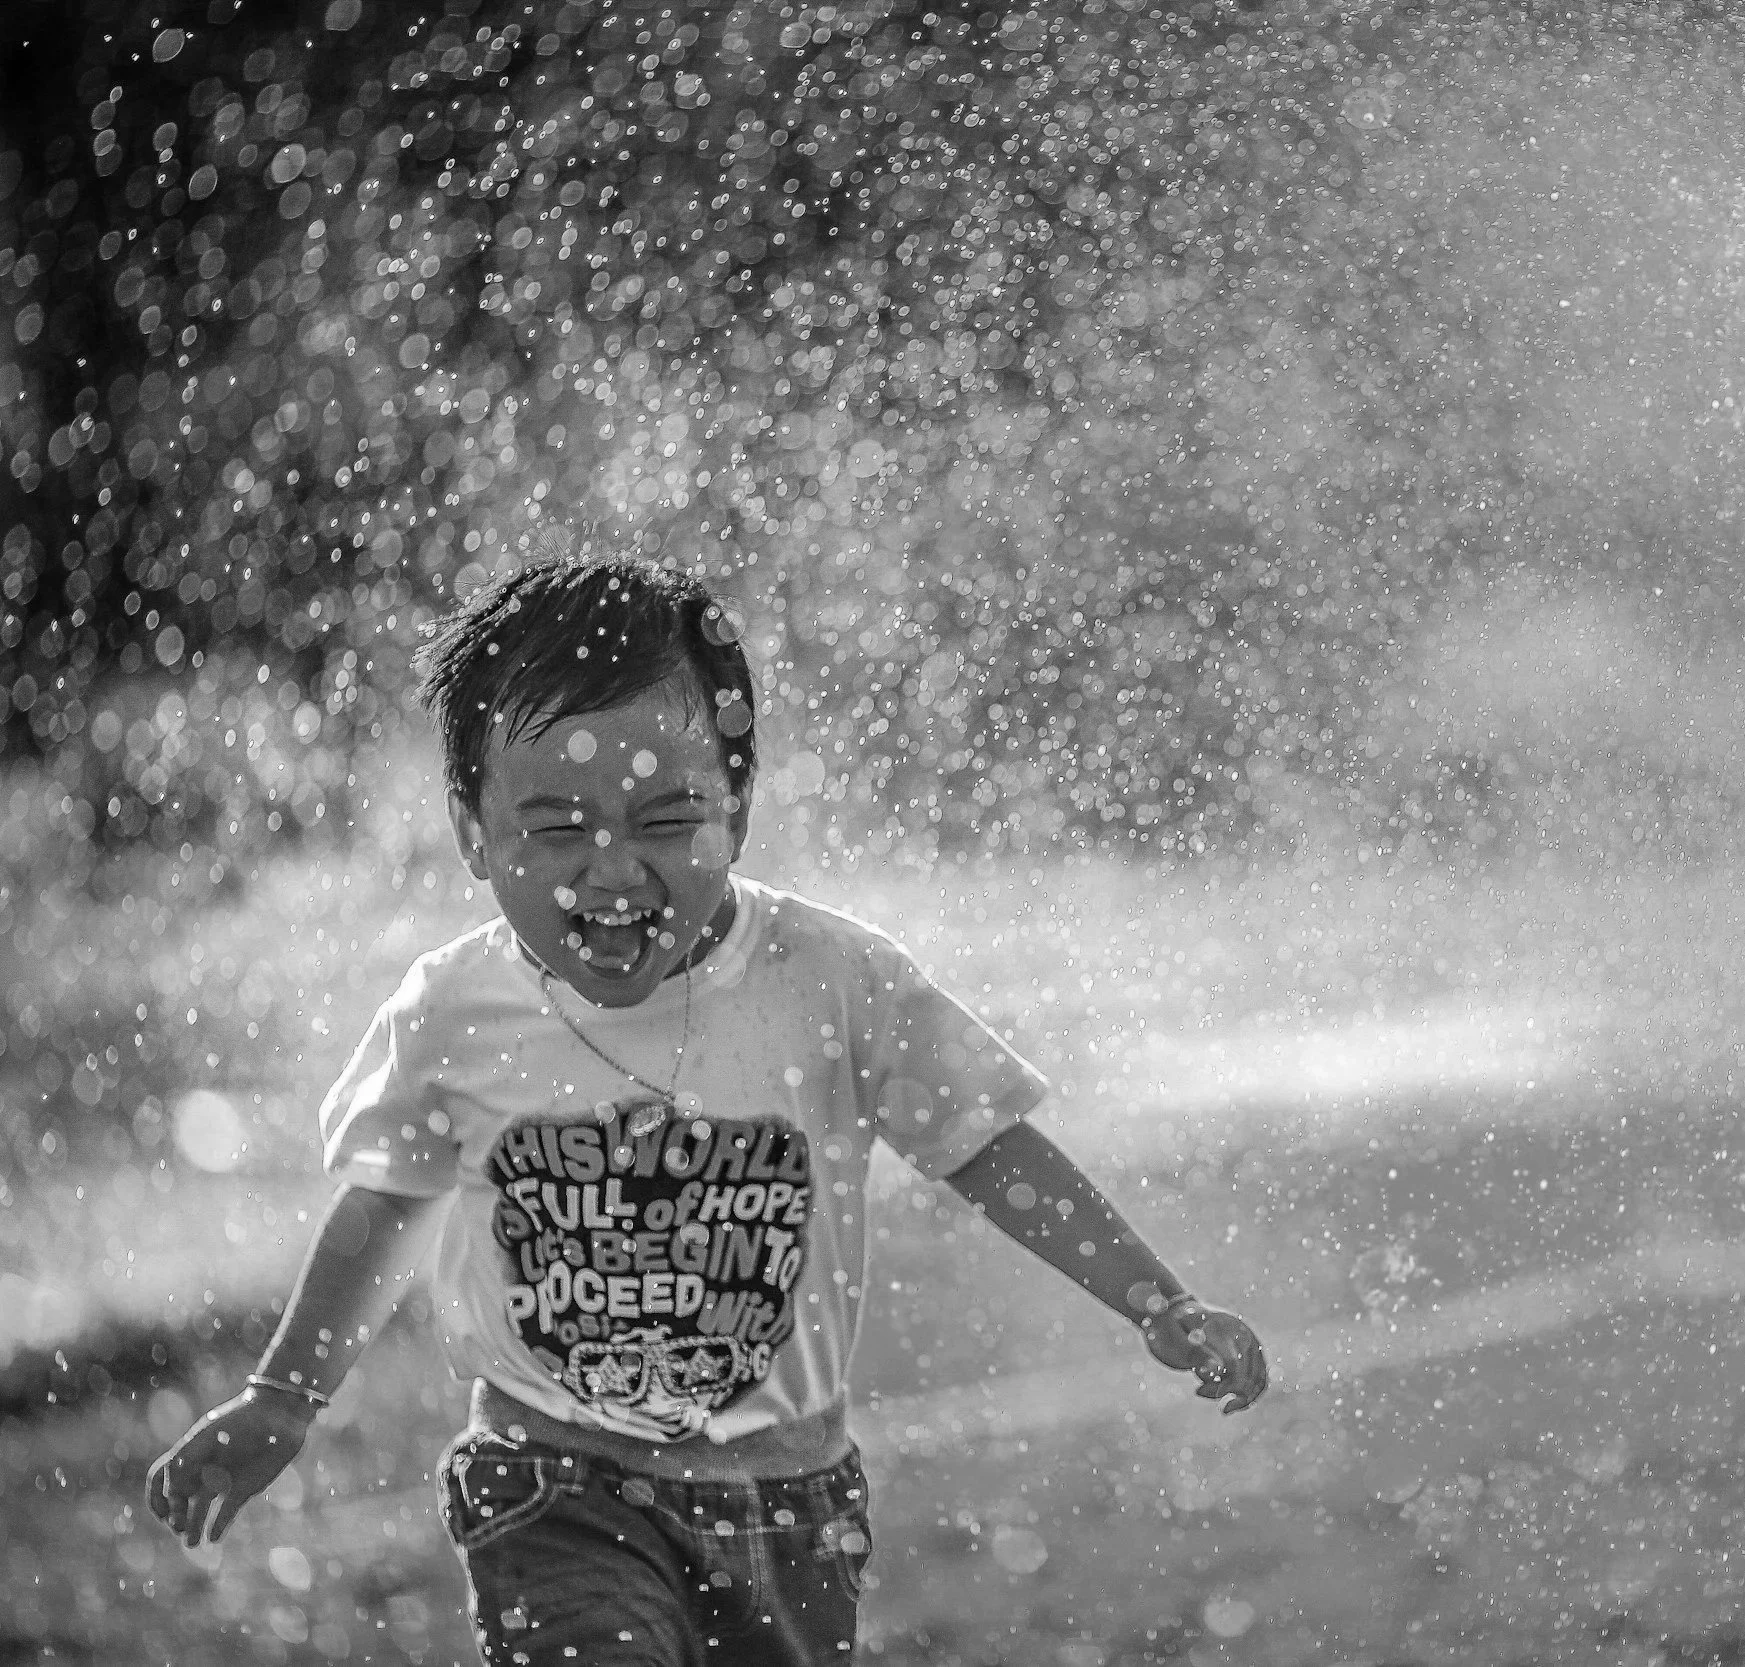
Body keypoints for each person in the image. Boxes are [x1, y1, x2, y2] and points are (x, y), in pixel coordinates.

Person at [146, 554, 1268, 1665]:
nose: (612, 869)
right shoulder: (456, 1010)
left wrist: (1155, 1299)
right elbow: (384, 1208)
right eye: (554, 828)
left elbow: (986, 1146)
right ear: (472, 832)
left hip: (790, 1505)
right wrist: (284, 1394)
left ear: (737, 806)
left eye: (665, 816)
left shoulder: (830, 979)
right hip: (553, 1482)